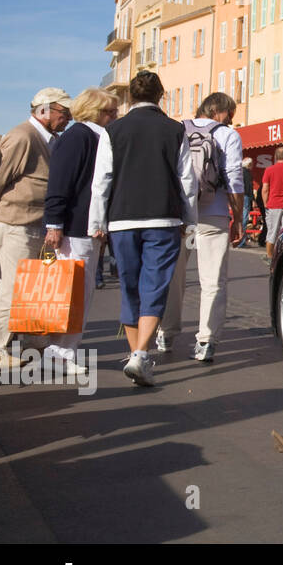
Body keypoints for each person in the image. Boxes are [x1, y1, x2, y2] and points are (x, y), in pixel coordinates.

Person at [88, 71, 197, 387]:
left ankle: (137, 354)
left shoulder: (113, 130)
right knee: (155, 285)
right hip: (163, 218)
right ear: (161, 95)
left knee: (130, 285)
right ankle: (140, 356)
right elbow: (187, 181)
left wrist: (97, 222)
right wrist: (189, 219)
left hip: (122, 219)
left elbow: (102, 180)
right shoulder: (175, 130)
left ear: (131, 97)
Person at [160, 92, 244, 363]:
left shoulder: (177, 129)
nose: (231, 119)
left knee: (174, 276)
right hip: (214, 214)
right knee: (212, 280)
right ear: (217, 109)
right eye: (229, 112)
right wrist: (238, 218)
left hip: (180, 215)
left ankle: (167, 332)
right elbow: (234, 179)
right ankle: (206, 341)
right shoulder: (228, 136)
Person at [40, 88, 119, 374]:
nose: (115, 116)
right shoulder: (79, 137)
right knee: (73, 293)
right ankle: (60, 351)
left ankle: (64, 349)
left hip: (85, 227)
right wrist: (55, 224)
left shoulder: (93, 136)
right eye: (110, 111)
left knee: (79, 292)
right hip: (75, 227)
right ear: (95, 111)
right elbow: (60, 183)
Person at [0, 87, 72, 370]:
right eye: (64, 113)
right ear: (44, 110)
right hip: (14, 222)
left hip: (30, 224)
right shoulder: (23, 137)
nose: (68, 118)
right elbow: (0, 178)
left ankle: (21, 339)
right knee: (10, 289)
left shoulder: (47, 139)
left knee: (26, 289)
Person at [235, 157, 256, 247]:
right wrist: (253, 200)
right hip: (246, 197)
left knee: (239, 217)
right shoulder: (247, 173)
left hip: (239, 196)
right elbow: (249, 187)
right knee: (244, 218)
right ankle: (241, 241)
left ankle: (237, 238)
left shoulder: (239, 172)